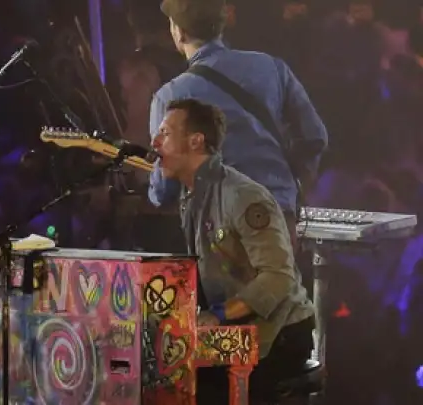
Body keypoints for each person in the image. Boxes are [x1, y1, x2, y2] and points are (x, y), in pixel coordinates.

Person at [151, 98, 315, 403]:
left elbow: (278, 278)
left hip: (279, 331)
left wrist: (218, 315)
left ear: (196, 140)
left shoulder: (242, 196)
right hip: (237, 329)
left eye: (165, 133)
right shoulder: (192, 197)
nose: (155, 142)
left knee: (203, 390)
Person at [149, 0, 328, 247]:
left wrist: (153, 194)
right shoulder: (272, 67)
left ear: (179, 32)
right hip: (278, 216)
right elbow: (315, 137)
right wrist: (293, 188)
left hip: (220, 226)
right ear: (220, 26)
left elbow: (164, 186)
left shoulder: (170, 97)